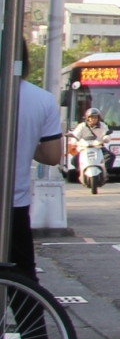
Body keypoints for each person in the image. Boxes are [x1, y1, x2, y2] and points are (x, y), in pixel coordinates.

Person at [9, 43, 67, 289]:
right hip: (15, 205)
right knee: (23, 280)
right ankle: (34, 327)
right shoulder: (41, 99)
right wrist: (27, 141)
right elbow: (53, 156)